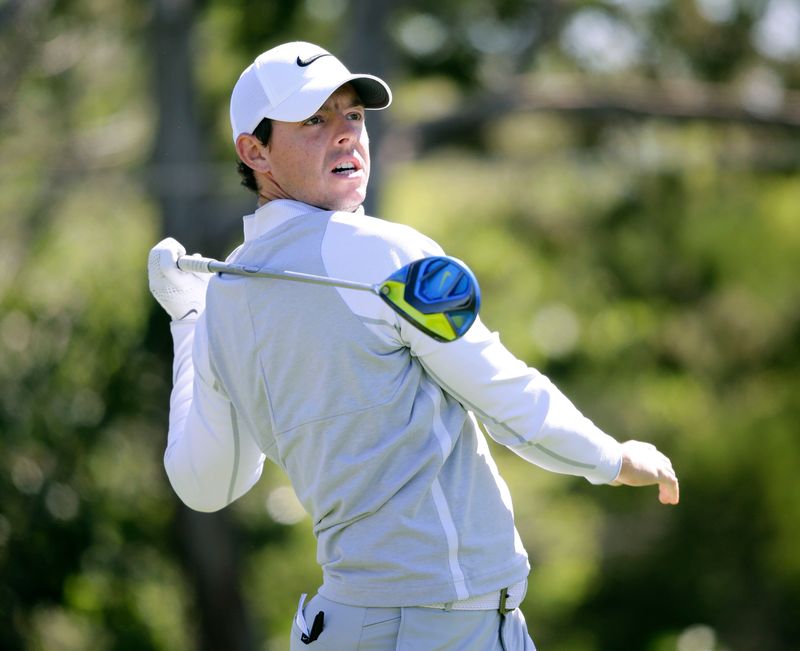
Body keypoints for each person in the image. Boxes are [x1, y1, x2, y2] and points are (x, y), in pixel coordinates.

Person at [148, 41, 679, 650]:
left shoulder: (221, 299)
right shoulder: (380, 252)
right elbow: (505, 400)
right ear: (254, 151)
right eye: (314, 119)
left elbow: (207, 483)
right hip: (442, 627)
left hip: (339, 628)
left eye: (353, 114)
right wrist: (611, 458)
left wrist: (187, 318)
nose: (345, 134)